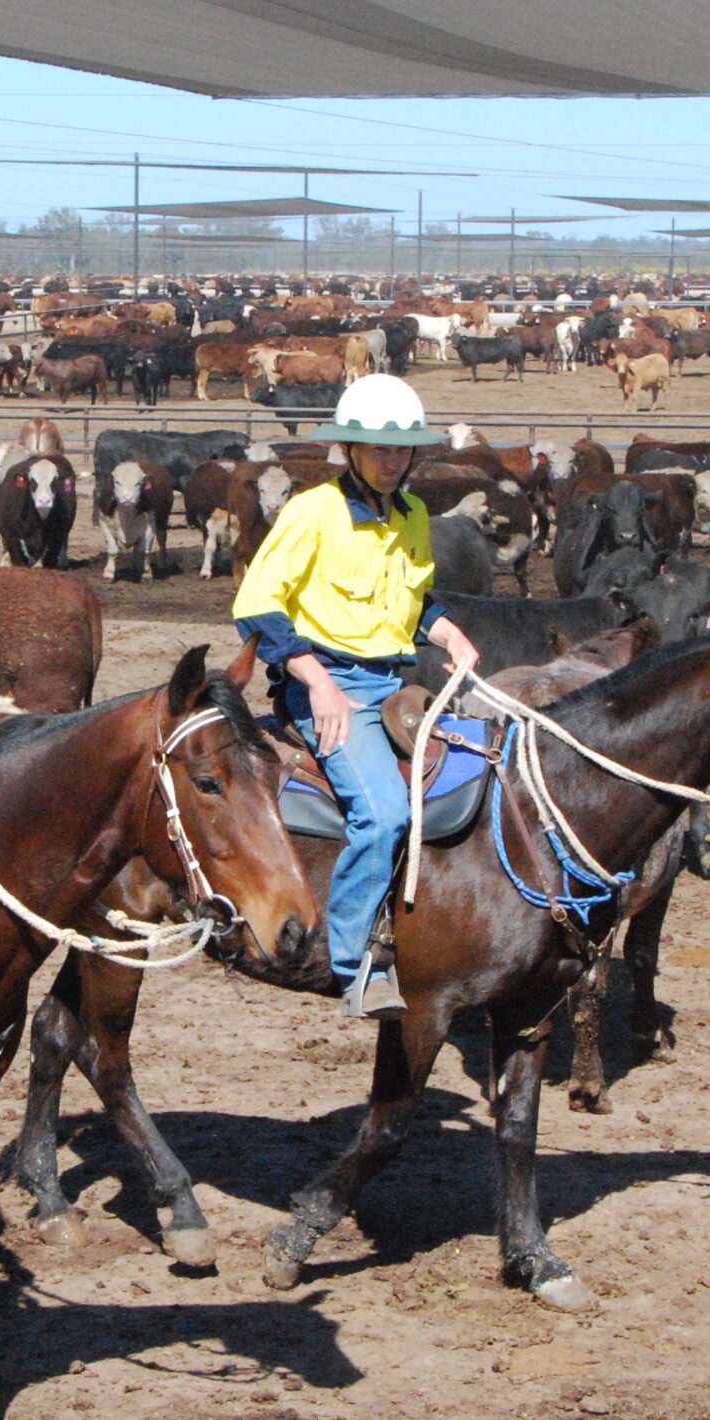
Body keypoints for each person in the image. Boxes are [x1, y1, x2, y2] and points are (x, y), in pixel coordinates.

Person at [230, 376, 480, 1020]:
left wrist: (447, 630)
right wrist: (317, 684)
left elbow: (414, 595)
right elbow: (256, 606)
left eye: (400, 450)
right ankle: (354, 965)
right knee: (386, 812)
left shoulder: (414, 514)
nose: (391, 460)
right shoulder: (314, 510)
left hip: (393, 686)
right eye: (375, 448)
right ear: (349, 449)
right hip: (325, 686)